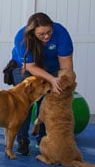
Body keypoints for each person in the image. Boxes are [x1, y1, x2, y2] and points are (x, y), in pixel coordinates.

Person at [10, 12, 74, 156]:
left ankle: (43, 139)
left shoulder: (61, 33)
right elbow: (31, 67)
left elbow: (66, 67)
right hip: (26, 67)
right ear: (33, 33)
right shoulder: (21, 37)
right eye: (41, 34)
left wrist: (63, 84)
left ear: (52, 27)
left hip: (51, 67)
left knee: (49, 100)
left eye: (48, 32)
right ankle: (22, 140)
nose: (46, 36)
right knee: (23, 102)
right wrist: (51, 80)